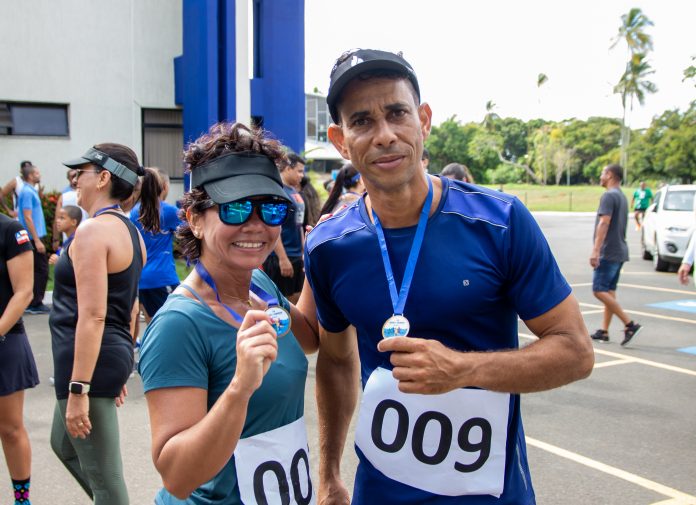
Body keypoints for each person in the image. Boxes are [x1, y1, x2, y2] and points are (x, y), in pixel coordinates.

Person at [304, 48, 594, 505]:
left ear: (423, 119)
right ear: (341, 140)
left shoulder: (500, 222)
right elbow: (337, 361)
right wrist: (328, 474)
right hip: (380, 494)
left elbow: (576, 351)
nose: (384, 135)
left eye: (397, 113)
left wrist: (465, 370)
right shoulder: (329, 246)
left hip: (491, 496)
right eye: (362, 121)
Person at [138, 121, 319, 504]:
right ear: (194, 218)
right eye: (235, 208)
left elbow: (309, 338)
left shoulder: (258, 284)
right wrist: (239, 388)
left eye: (270, 209)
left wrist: (322, 256)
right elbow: (177, 477)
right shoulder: (179, 325)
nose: (256, 225)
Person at [49, 143, 162, 505]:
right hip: (100, 359)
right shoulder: (130, 234)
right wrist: (120, 361)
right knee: (62, 444)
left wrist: (80, 388)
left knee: (106, 481)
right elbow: (130, 309)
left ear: (102, 178)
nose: (73, 180)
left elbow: (94, 315)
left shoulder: (92, 232)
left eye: (78, 173)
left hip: (88, 365)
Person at [0, 213, 38, 505]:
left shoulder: (11, 230)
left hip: (6, 340)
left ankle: (21, 500)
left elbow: (24, 292)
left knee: (10, 428)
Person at [589, 164, 642, 345]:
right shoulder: (621, 195)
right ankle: (604, 331)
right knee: (609, 292)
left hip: (609, 252)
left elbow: (604, 223)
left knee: (599, 290)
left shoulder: (609, 196)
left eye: (603, 173)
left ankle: (629, 323)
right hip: (620, 251)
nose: (601, 176)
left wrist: (596, 250)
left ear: (610, 175)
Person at [129, 168, 181, 323]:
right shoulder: (169, 211)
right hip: (163, 277)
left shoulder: (134, 212)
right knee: (173, 324)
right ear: (164, 186)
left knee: (154, 326)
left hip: (142, 278)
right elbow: (193, 230)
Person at [262, 152, 306, 304]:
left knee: (298, 298)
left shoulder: (294, 192)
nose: (302, 175)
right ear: (287, 168)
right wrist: (282, 258)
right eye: (299, 171)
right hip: (281, 256)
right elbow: (273, 225)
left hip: (296, 255)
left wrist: (303, 251)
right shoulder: (276, 192)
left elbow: (298, 224)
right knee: (282, 303)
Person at [16, 165, 49, 315]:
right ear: (30, 176)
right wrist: (36, 240)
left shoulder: (30, 190)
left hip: (35, 235)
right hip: (32, 237)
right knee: (40, 270)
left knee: (38, 269)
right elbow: (27, 217)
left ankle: (34, 302)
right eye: (36, 172)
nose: (39, 174)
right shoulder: (27, 192)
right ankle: (35, 303)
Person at [51, 170, 88, 251]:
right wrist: (56, 239)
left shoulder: (64, 196)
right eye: (73, 176)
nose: (75, 179)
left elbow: (57, 218)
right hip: (76, 237)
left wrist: (55, 239)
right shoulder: (64, 195)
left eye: (76, 175)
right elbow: (57, 218)